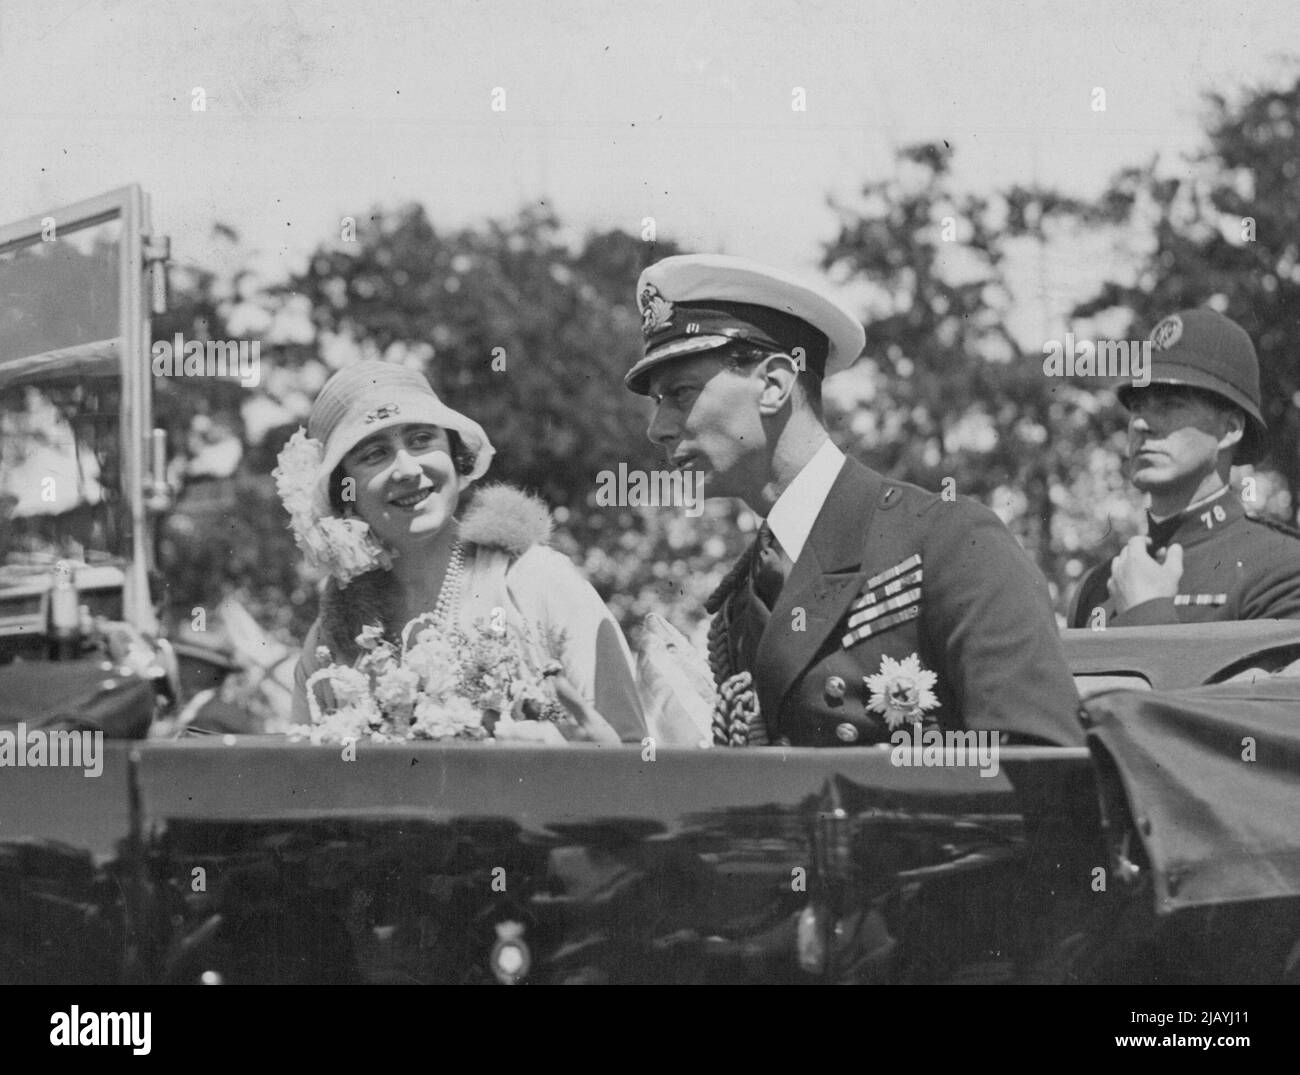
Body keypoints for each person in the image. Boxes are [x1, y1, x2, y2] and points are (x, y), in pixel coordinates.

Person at [626, 253, 1084, 748]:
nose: (658, 429)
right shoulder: (742, 605)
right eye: (658, 403)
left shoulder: (952, 543)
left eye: (680, 394)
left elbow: (1041, 776)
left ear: (774, 385)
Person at [277, 361, 645, 742]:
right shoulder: (332, 639)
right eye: (374, 454)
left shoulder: (539, 582)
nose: (406, 469)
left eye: (421, 439)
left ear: (455, 456)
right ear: (345, 492)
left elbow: (631, 754)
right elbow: (306, 779)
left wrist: (552, 748)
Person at [1068, 309, 1300, 628]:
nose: (1140, 423)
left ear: (1230, 429)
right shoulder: (1098, 587)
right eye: (1137, 407)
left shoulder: (1282, 569)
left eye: (1170, 405)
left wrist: (1147, 614)